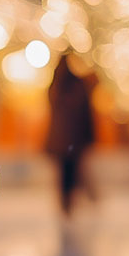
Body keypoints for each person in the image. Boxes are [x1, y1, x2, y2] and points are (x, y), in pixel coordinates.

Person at [44, 55, 94, 216]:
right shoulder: (75, 85)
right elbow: (85, 114)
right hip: (72, 140)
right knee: (72, 171)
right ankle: (70, 202)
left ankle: (67, 203)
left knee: (66, 173)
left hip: (62, 141)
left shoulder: (55, 87)